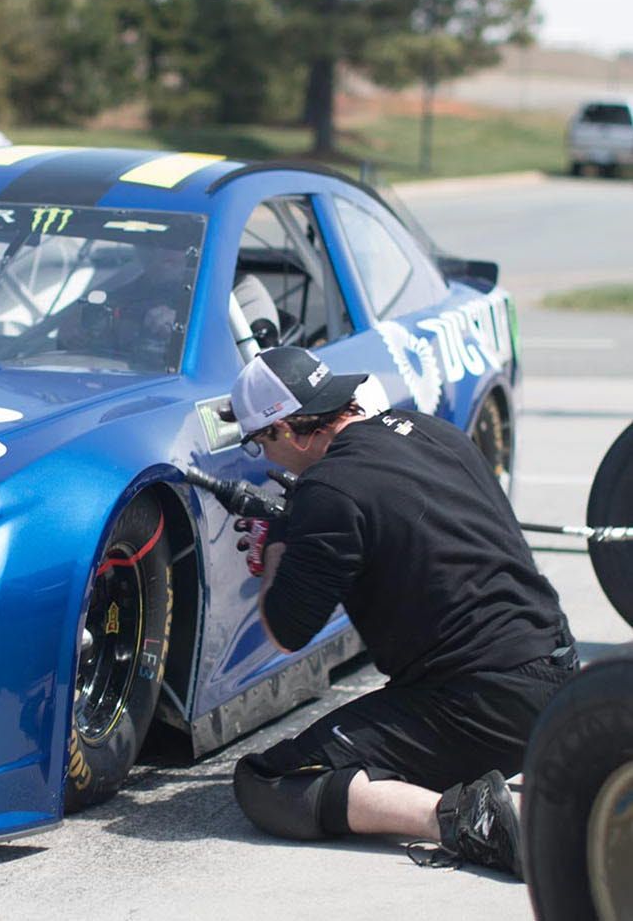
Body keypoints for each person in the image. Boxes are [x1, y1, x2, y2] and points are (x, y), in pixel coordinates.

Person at [218, 346, 577, 878]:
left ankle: (464, 818)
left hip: (481, 701)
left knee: (267, 782)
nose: (266, 459)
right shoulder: (427, 430)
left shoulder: (329, 492)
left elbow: (287, 630)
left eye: (259, 442)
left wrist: (278, 542)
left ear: (288, 431)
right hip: (556, 672)